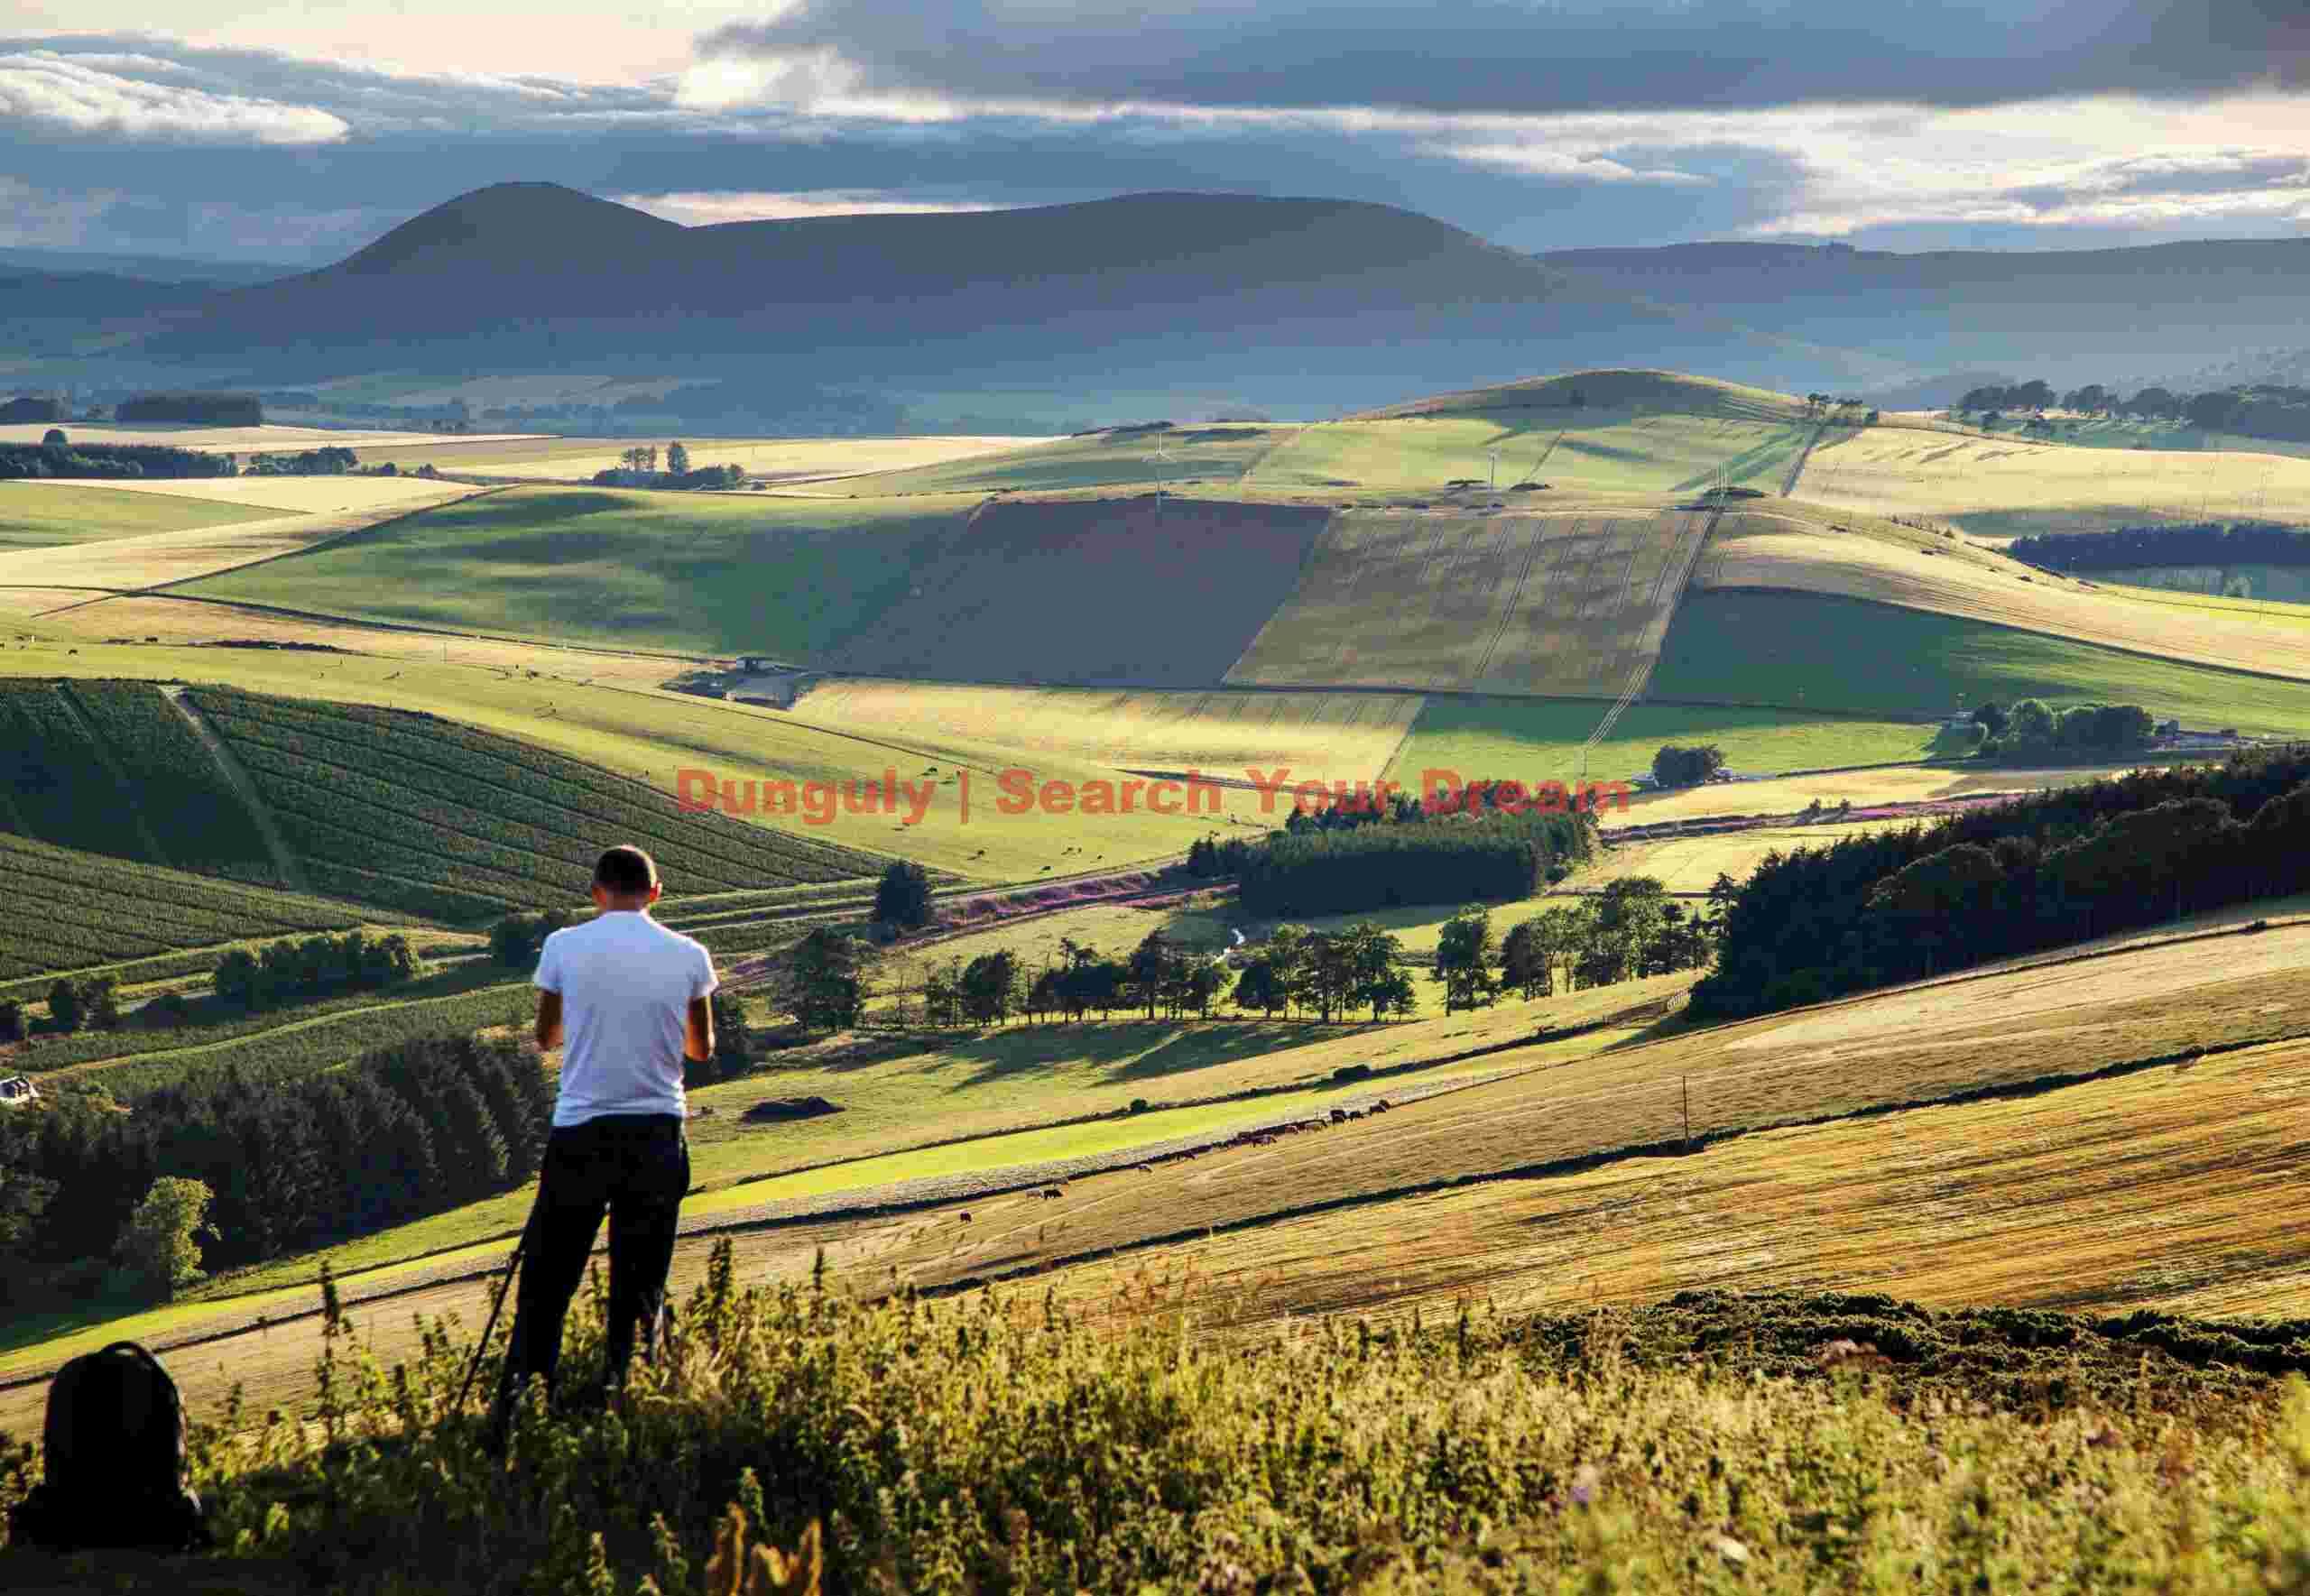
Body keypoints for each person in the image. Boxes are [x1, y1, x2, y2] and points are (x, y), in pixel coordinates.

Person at [487, 844, 716, 1453]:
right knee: (641, 1283)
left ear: (595, 892)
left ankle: (522, 1408)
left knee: (549, 1277)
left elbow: (545, 1036)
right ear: (657, 892)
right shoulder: (690, 956)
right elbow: (702, 1049)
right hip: (657, 1132)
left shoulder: (563, 946)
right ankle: (628, 1403)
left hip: (581, 1133)